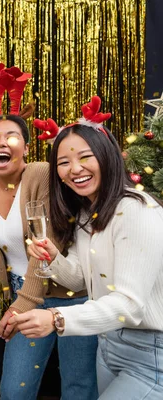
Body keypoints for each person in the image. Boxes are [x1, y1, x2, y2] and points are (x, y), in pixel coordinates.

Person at [0, 63, 98, 399]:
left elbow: (47, 243)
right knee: (13, 390)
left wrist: (21, 305)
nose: (0, 142)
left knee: (79, 388)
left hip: (73, 295)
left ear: (25, 146)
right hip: (25, 296)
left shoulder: (41, 175)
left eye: (11, 136)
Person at [10, 96, 163, 398]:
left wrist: (56, 319)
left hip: (150, 354)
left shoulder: (137, 211)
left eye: (85, 157)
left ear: (106, 156)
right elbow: (79, 279)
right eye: (63, 162)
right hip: (108, 345)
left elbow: (130, 306)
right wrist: (53, 258)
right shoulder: (86, 214)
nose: (74, 169)